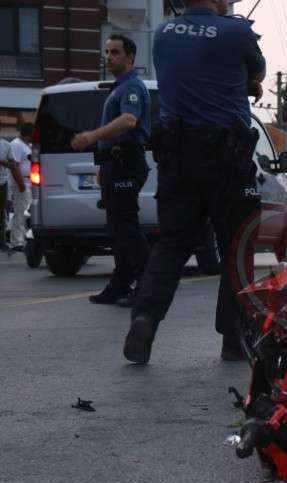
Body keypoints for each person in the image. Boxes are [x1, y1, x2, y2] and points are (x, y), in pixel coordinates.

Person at [123, 0, 266, 364]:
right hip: (224, 157)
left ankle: (144, 317)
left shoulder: (163, 32)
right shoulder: (236, 30)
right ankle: (234, 340)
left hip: (175, 155)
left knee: (171, 245)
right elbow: (258, 73)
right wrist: (246, 83)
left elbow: (195, 72)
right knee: (237, 245)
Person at [71, 34, 151, 306]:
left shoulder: (132, 87)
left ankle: (146, 287)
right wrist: (104, 164)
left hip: (126, 164)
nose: (108, 57)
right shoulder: (117, 87)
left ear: (130, 57)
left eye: (115, 52)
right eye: (106, 51)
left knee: (126, 228)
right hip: (114, 165)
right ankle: (120, 285)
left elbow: (129, 121)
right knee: (117, 230)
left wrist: (92, 136)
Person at [9, 123, 34, 252]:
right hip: (22, 185)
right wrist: (22, 186)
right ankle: (16, 242)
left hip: (29, 184)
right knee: (20, 213)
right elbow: (15, 166)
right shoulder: (16, 145)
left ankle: (21, 239)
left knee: (26, 214)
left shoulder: (27, 145)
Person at [0, 137, 17, 252]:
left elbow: (13, 165)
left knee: (1, 213)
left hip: (2, 182)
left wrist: (1, 161)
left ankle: (2, 243)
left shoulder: (6, 145)